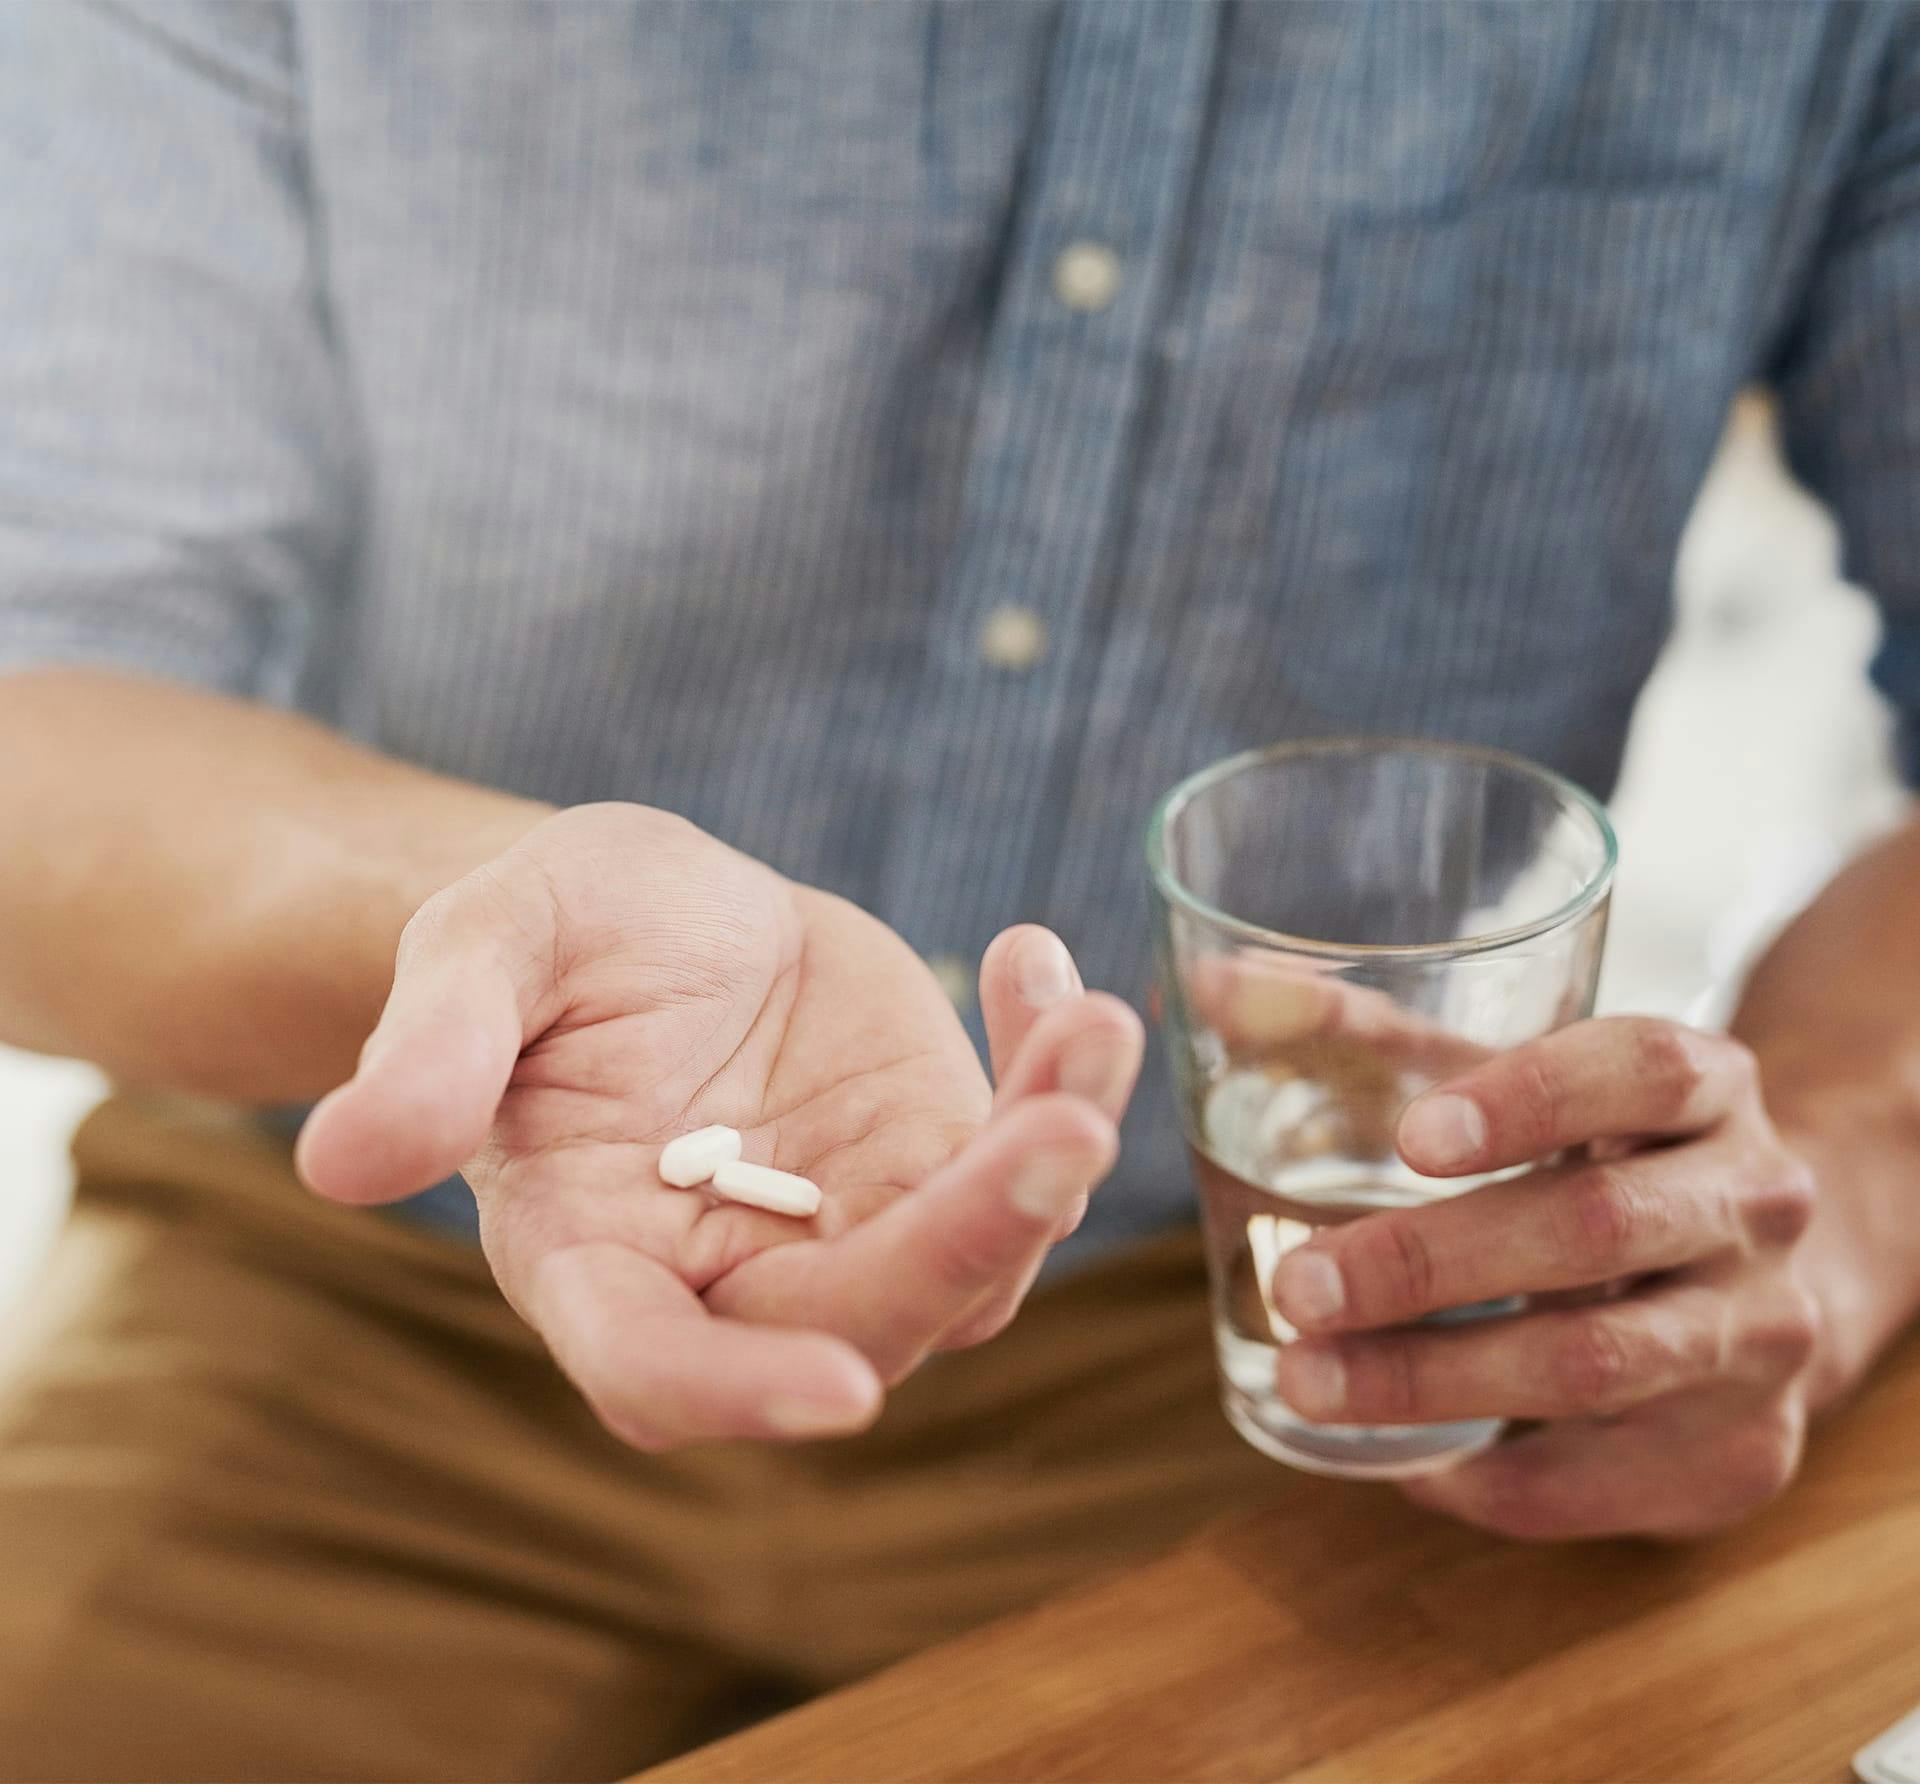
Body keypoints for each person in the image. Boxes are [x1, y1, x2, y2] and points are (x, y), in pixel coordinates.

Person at [2, 2, 1918, 1776]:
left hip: (1297, 1339)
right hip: (348, 1305)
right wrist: (486, 916)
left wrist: (1839, 1161)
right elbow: (46, 689)